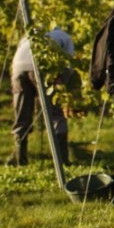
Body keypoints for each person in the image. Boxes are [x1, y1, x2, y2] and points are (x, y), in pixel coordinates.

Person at [10, 27, 75, 166]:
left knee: (22, 112)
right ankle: (62, 160)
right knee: (55, 113)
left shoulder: (31, 34)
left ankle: (20, 159)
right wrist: (62, 83)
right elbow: (69, 63)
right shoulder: (66, 37)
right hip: (40, 67)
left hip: (18, 68)